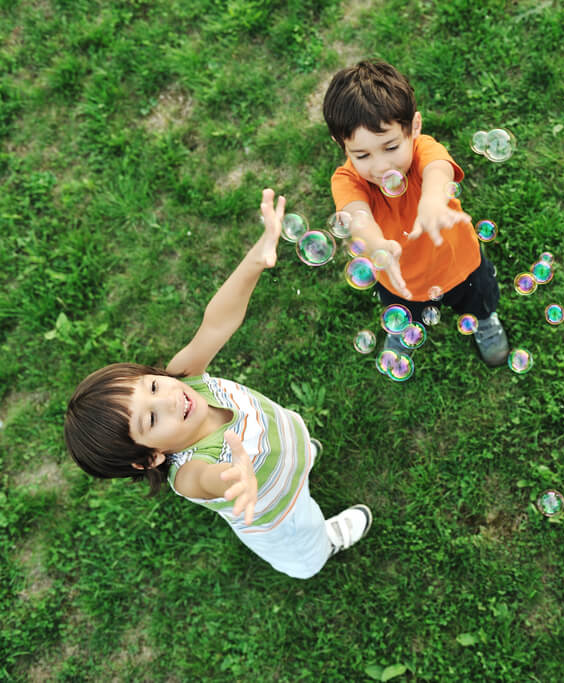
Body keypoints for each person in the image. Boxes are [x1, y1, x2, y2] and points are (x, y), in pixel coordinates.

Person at [64, 189, 372, 579]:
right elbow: (210, 480)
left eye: (154, 389)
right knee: (305, 540)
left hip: (282, 437)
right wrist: (235, 480)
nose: (171, 400)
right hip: (277, 510)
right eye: (152, 420)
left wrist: (257, 259)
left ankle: (302, 458)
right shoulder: (191, 473)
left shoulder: (183, 375)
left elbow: (218, 321)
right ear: (151, 458)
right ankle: (324, 542)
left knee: (298, 451)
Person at [322, 60, 509, 366]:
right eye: (362, 154)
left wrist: (433, 200)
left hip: (459, 263)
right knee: (406, 314)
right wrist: (377, 245)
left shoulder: (424, 150)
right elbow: (357, 216)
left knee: (480, 299)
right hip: (399, 280)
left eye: (391, 147)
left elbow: (439, 168)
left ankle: (485, 323)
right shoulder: (347, 180)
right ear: (341, 144)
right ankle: (404, 329)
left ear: (415, 127)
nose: (381, 166)